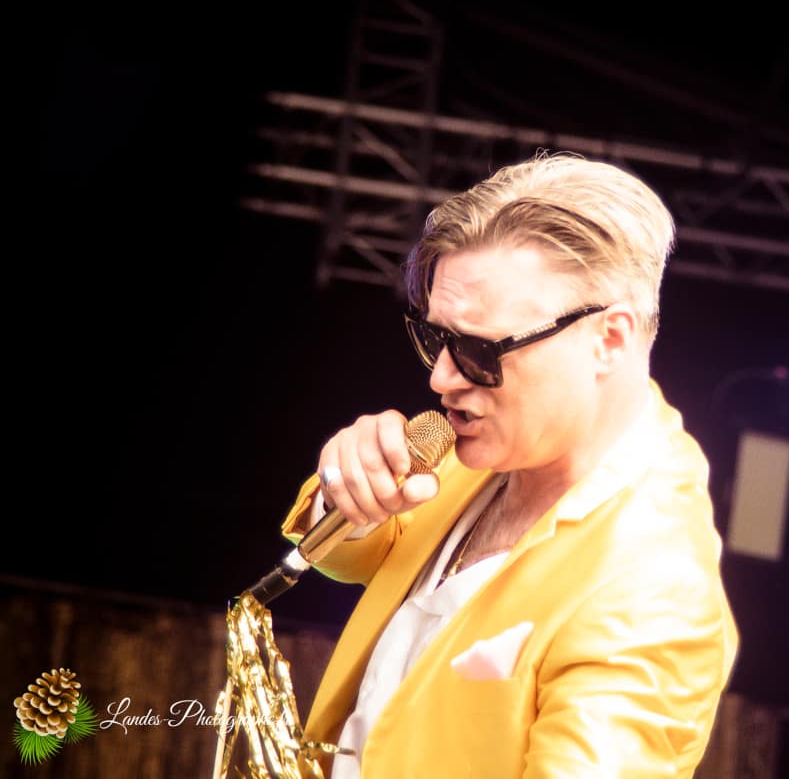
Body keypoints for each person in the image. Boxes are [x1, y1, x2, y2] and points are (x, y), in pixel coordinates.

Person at [279, 151, 739, 778]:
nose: (442, 378)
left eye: (479, 349)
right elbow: (364, 555)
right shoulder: (498, 441)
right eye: (437, 338)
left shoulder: (657, 589)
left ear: (610, 338)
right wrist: (347, 496)